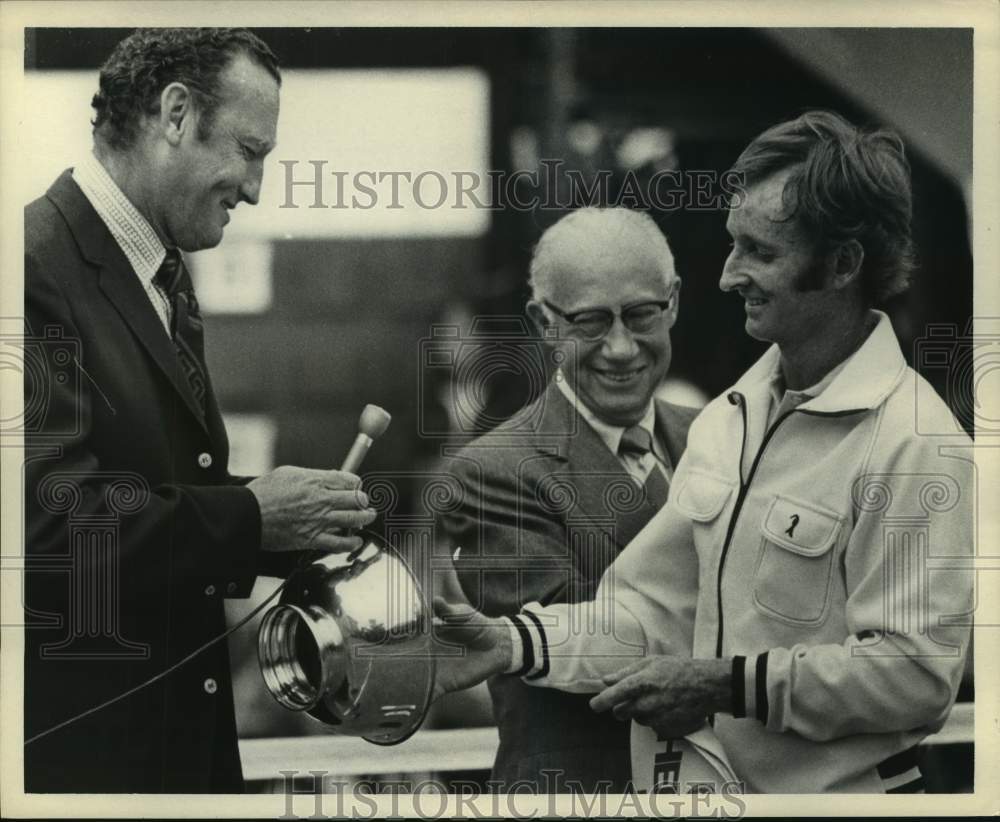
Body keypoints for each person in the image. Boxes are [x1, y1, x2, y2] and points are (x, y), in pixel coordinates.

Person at [434, 111, 974, 793]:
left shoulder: (918, 443)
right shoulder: (729, 419)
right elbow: (652, 614)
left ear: (843, 264)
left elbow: (915, 676)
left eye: (760, 252)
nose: (727, 275)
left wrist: (725, 684)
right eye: (731, 244)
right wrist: (510, 643)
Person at [23, 28, 375, 793]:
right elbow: (47, 531)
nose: (254, 189)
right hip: (86, 774)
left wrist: (295, 522)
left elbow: (151, 484)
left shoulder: (155, 271)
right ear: (175, 115)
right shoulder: (27, 269)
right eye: (250, 151)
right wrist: (252, 520)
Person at [439, 207, 699, 793]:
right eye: (589, 323)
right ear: (544, 322)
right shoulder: (490, 472)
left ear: (674, 302)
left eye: (640, 315)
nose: (621, 347)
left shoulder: (719, 439)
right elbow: (593, 645)